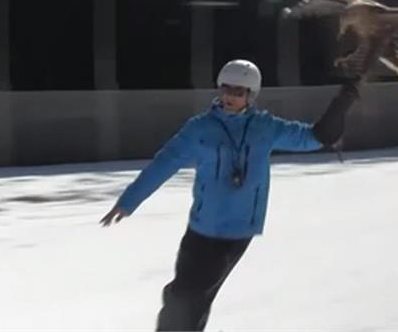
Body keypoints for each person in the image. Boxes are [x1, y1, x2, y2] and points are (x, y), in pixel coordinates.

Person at [100, 59, 360, 331]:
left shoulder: (265, 127)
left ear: (250, 95)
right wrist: (129, 200)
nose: (229, 97)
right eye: (226, 89)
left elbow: (315, 137)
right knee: (188, 296)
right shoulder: (199, 129)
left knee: (188, 296)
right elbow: (164, 163)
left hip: (237, 232)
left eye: (238, 92)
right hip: (202, 229)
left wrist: (341, 105)